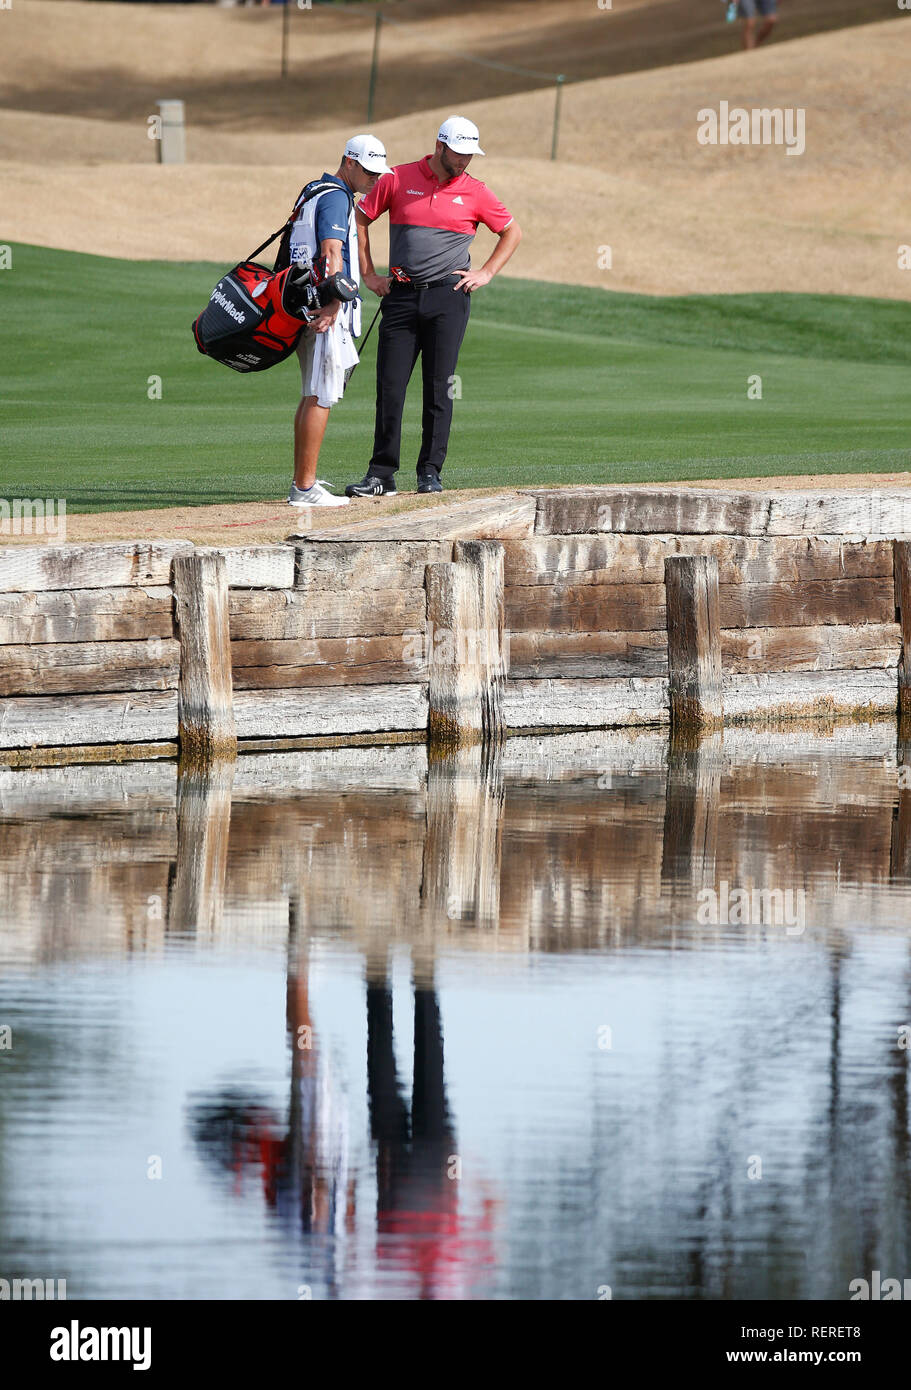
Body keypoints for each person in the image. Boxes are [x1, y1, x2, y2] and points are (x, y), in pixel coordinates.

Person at [345, 116, 521, 498]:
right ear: (440, 146)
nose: (464, 162)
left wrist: (487, 272)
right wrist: (368, 275)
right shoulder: (396, 177)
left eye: (469, 156)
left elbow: (512, 231)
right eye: (458, 154)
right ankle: (381, 474)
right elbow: (359, 219)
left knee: (441, 388)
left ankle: (429, 472)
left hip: (448, 297)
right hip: (401, 296)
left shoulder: (476, 191)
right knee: (390, 387)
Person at [286, 134, 393, 509]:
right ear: (349, 162)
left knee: (313, 392)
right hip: (324, 308)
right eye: (368, 171)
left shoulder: (314, 190)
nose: (374, 180)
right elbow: (332, 249)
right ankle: (304, 489)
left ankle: (304, 481)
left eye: (378, 173)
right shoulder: (336, 196)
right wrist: (334, 302)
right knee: (322, 394)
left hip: (304, 302)